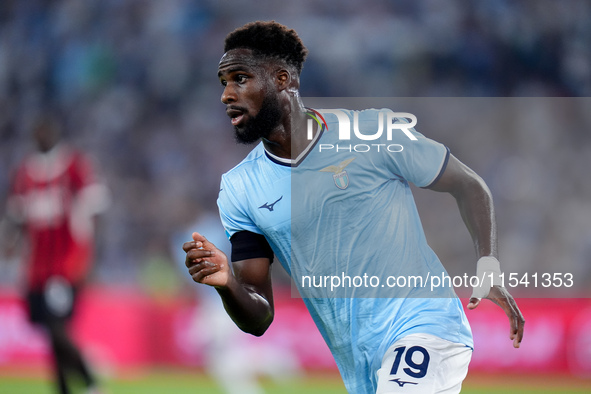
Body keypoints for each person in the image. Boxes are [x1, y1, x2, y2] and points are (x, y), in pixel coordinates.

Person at [183, 21, 525, 394]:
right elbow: (259, 315)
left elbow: (467, 184)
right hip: (358, 363)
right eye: (223, 83)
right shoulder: (239, 188)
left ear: (283, 80)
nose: (226, 94)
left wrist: (488, 264)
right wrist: (227, 283)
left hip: (426, 326)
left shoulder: (374, 132)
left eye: (239, 78)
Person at [1, 114, 109, 394]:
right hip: (36, 267)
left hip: (66, 263)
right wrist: (9, 244)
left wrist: (91, 255)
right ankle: (62, 389)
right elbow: (15, 216)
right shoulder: (25, 172)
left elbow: (95, 205)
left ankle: (90, 382)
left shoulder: (74, 165)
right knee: (52, 332)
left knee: (56, 325)